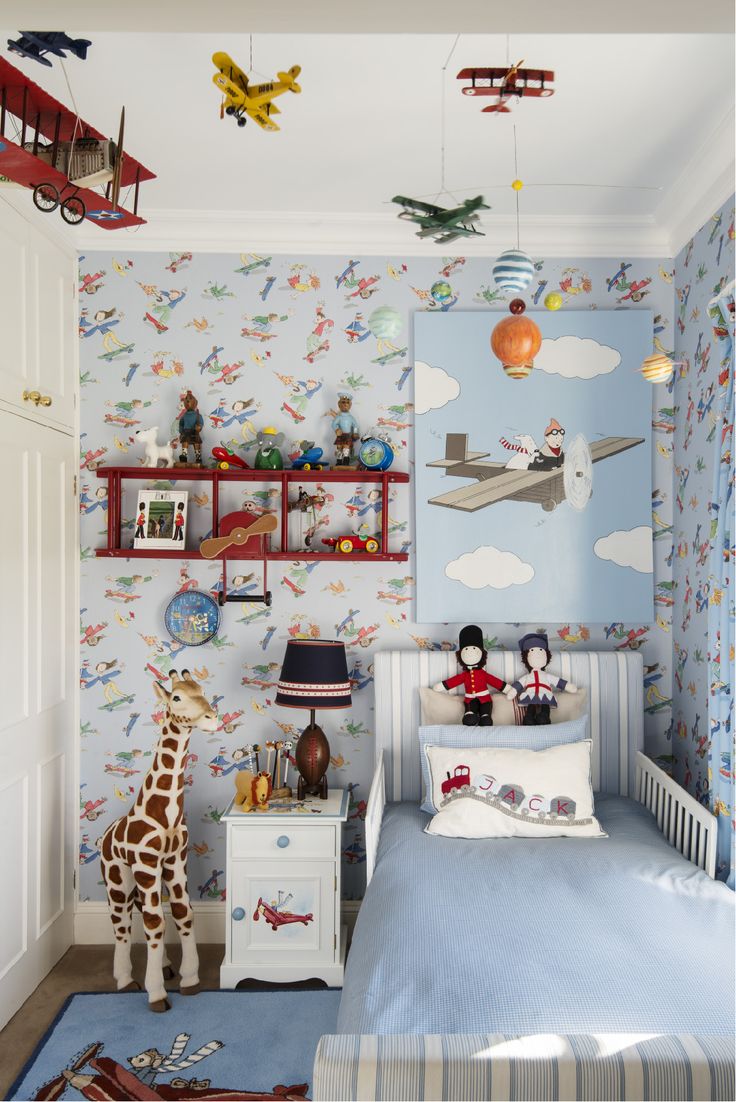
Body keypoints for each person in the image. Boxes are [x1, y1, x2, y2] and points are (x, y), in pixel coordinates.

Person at [432, 624, 510, 726]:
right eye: (466, 650)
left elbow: (495, 681)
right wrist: (441, 686)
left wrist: (508, 689)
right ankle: (470, 715)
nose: (469, 653)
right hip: (470, 700)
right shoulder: (464, 675)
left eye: (474, 649)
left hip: (485, 699)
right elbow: (453, 681)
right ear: (460, 655)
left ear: (482, 654)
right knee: (469, 718)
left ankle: (485, 716)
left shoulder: (483, 674)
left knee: (486, 718)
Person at [506, 631, 578, 725]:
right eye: (532, 651)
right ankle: (529, 718)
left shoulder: (547, 676)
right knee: (530, 709)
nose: (537, 656)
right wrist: (512, 691)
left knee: (545, 708)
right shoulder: (527, 677)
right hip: (531, 694)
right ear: (526, 658)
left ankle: (544, 716)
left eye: (541, 651)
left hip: (545, 694)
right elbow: (518, 684)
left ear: (546, 656)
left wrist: (568, 686)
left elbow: (558, 682)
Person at [331, 394, 359, 466]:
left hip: (347, 435)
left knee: (346, 449)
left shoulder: (351, 417)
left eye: (347, 403)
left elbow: (355, 425)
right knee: (339, 448)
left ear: (350, 405)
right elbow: (334, 424)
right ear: (339, 405)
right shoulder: (338, 417)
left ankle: (346, 462)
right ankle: (339, 462)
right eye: (343, 402)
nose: (345, 404)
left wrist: (355, 433)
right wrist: (337, 429)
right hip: (340, 435)